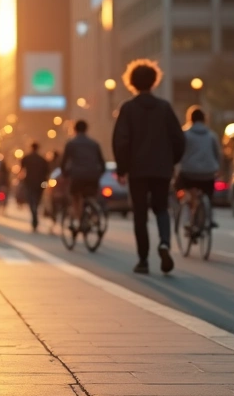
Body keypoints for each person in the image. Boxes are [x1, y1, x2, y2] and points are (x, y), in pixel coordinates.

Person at [112, 59, 185, 275]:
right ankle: (164, 243)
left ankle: (143, 260)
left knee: (140, 214)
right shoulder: (164, 108)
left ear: (131, 82)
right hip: (161, 169)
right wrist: (171, 162)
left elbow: (121, 140)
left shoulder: (128, 108)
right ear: (154, 81)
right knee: (161, 208)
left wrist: (122, 168)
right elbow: (178, 139)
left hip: (137, 170)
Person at [176, 107, 222, 232]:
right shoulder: (212, 135)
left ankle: (189, 214)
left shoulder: (185, 134)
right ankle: (208, 217)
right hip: (208, 173)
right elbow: (218, 154)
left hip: (189, 173)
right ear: (204, 119)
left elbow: (178, 154)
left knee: (180, 187)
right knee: (208, 194)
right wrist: (218, 169)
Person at [60, 121, 106, 229]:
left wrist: (65, 174)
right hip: (93, 176)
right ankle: (93, 213)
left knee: (75, 196)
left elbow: (64, 162)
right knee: (91, 195)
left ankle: (78, 220)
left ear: (75, 129)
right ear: (86, 129)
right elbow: (102, 163)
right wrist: (98, 174)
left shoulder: (71, 144)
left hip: (77, 176)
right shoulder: (94, 144)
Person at [20, 142, 51, 232]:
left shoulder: (26, 158)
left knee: (31, 200)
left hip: (29, 182)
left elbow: (22, 170)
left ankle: (34, 213)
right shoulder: (42, 159)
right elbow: (47, 172)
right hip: (40, 183)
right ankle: (35, 211)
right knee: (37, 201)